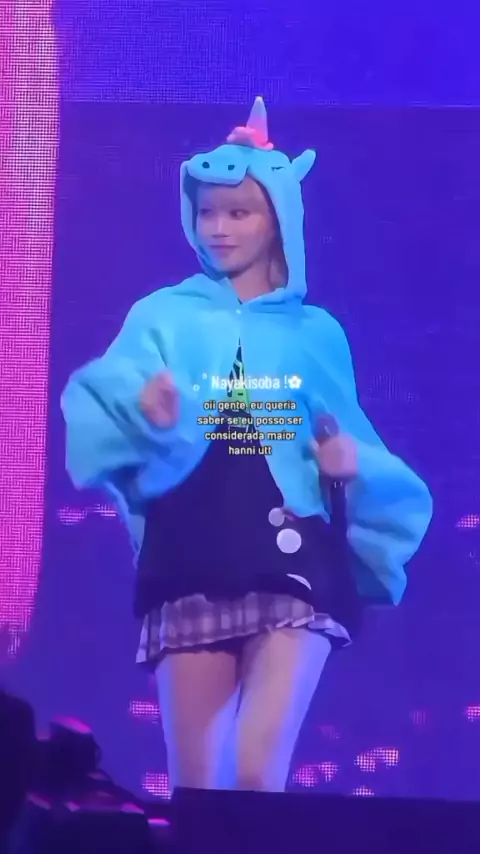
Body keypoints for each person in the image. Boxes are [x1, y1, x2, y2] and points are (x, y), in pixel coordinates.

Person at [61, 97, 433, 793]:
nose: (220, 228)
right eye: (209, 212)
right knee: (200, 793)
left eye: (240, 212)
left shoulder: (315, 332)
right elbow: (99, 416)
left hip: (293, 563)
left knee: (257, 778)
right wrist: (145, 413)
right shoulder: (161, 316)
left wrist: (348, 467)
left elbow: (349, 437)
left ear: (279, 218)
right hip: (189, 555)